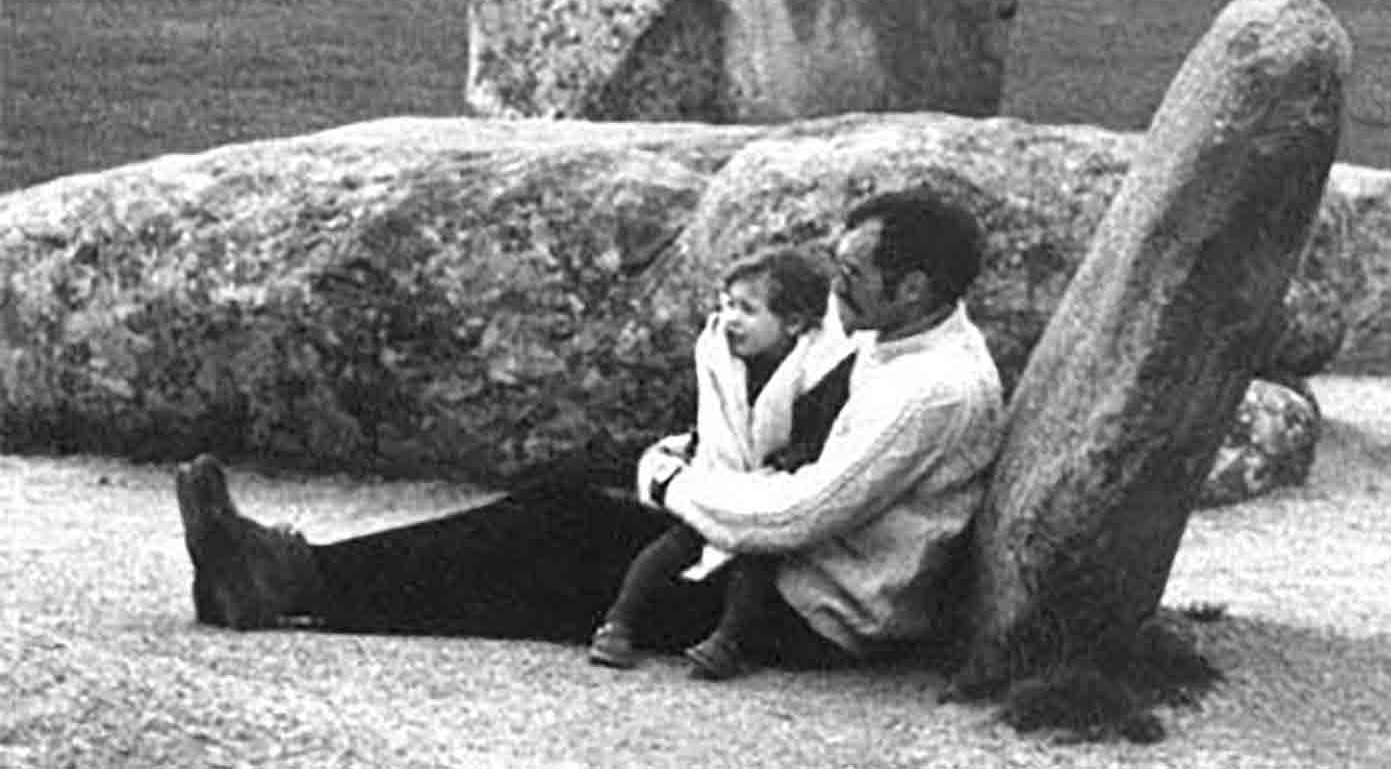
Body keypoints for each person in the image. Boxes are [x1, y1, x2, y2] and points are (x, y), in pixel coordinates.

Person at [175, 187, 1005, 672]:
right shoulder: (892, 337)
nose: (834, 287)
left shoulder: (931, 390)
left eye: (853, 273)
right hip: (768, 565)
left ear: (913, 288)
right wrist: (692, 455)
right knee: (556, 512)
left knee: (550, 563)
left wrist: (672, 484)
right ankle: (278, 576)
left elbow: (799, 515)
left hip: (801, 614)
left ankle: (286, 581)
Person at [588, 246, 854, 678]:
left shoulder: (817, 371)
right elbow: (713, 419)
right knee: (674, 545)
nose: (730, 319)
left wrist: (786, 464)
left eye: (747, 310)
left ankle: (728, 640)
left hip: (773, 492)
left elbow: (817, 438)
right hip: (722, 481)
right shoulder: (722, 358)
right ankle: (618, 622)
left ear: (793, 322)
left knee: (759, 557)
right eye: (727, 305)